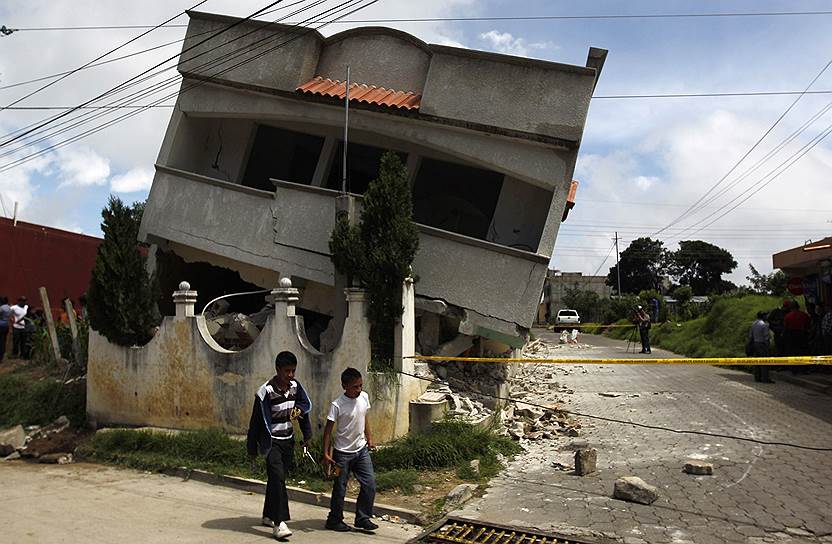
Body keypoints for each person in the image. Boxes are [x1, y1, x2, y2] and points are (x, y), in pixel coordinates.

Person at [246, 351, 312, 540]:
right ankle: (279, 522)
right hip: (271, 443)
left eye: (293, 371)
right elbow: (255, 424)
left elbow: (302, 412)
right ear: (277, 370)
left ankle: (268, 514)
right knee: (278, 477)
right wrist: (252, 450)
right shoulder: (265, 392)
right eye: (286, 371)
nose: (290, 375)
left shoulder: (295, 387)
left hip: (288, 441)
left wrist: (307, 436)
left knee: (276, 479)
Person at [323, 367, 378, 533]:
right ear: (344, 386)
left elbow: (364, 417)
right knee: (340, 488)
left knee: (370, 484)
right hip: (342, 454)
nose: (359, 389)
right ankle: (334, 520)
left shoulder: (364, 397)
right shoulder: (337, 405)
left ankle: (362, 518)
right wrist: (326, 453)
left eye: (360, 385)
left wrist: (369, 438)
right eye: (355, 387)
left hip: (361, 451)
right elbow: (327, 431)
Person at [748, 311, 773, 383]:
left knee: (757, 361)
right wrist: (768, 346)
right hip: (762, 344)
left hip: (755, 343)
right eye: (766, 315)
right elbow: (766, 337)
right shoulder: (764, 325)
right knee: (764, 361)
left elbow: (750, 336)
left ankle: (757, 377)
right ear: (763, 316)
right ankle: (765, 378)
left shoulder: (753, 324)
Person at [0, 296, 10, 362]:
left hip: (1, 325)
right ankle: (2, 355)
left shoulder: (1, 308)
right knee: (4, 340)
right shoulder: (9, 307)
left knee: (0, 341)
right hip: (7, 325)